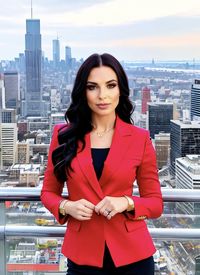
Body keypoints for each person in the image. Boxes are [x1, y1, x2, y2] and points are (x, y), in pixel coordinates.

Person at [41, 53, 163, 275]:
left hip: (133, 256)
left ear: (120, 89)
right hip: (83, 256)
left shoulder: (140, 138)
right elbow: (48, 192)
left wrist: (125, 202)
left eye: (110, 85)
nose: (102, 95)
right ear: (83, 92)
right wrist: (67, 206)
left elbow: (155, 204)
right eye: (92, 87)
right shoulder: (62, 135)